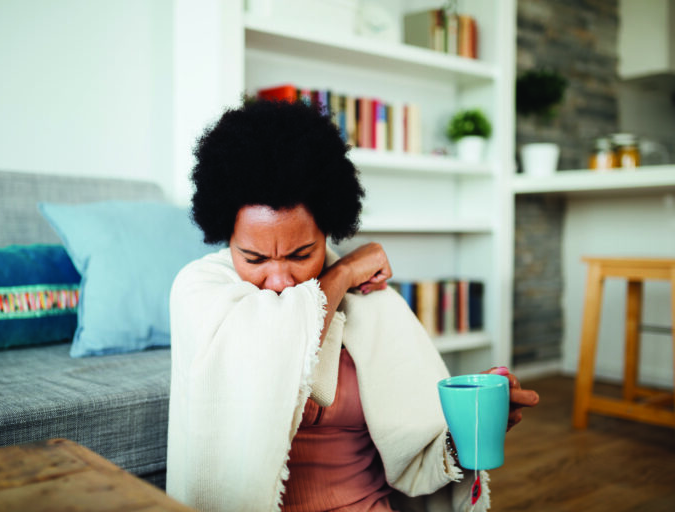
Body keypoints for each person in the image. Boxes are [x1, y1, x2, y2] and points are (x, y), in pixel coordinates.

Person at [166, 99, 539, 512]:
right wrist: (341, 273)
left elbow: (418, 452)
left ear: (328, 230)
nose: (278, 281)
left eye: (300, 254)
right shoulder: (198, 288)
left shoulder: (371, 304)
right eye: (254, 259)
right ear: (225, 235)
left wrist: (465, 430)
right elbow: (267, 355)